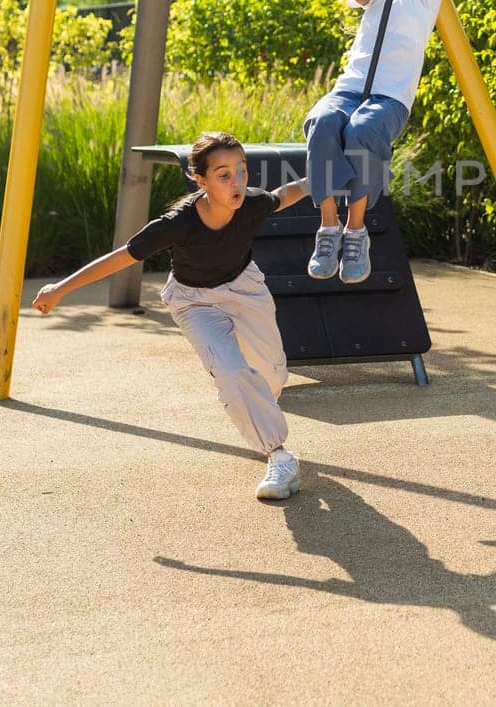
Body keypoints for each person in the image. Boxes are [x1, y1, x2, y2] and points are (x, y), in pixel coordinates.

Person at [32, 131, 310, 501]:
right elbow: (122, 256)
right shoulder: (177, 223)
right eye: (224, 175)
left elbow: (282, 196)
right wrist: (61, 288)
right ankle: (279, 456)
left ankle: (249, 397)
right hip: (193, 301)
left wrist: (318, 181)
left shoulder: (250, 203)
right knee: (231, 372)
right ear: (201, 180)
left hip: (245, 290)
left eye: (241, 171)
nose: (237, 182)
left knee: (272, 376)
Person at [302, 0, 444, 284]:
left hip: (387, 100)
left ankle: (355, 230)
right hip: (350, 89)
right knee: (322, 122)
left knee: (362, 132)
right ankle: (328, 226)